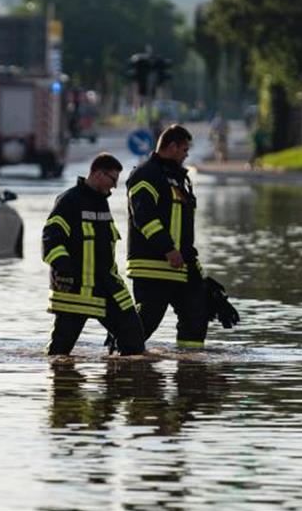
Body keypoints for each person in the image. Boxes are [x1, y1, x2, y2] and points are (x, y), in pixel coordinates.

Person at [42, 152, 146, 357]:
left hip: (107, 288)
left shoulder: (101, 202)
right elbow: (51, 238)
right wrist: (64, 268)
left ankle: (118, 383)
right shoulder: (69, 201)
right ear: (98, 174)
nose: (114, 186)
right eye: (112, 179)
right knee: (59, 354)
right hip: (76, 291)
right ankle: (63, 385)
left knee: (134, 342)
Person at [125, 124, 209, 348]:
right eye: (184, 150)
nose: (186, 155)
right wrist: (168, 249)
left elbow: (183, 227)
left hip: (180, 265)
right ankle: (119, 359)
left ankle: (190, 369)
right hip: (152, 264)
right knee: (148, 319)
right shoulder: (146, 175)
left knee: (197, 313)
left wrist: (195, 267)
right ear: (171, 147)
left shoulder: (177, 178)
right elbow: (144, 217)